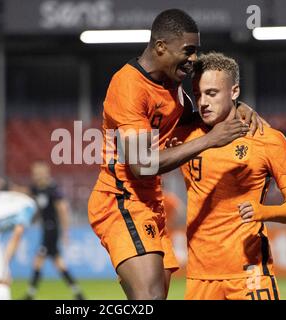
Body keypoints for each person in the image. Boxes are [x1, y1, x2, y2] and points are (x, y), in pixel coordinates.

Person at [88, 8, 267, 300]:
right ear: (161, 47)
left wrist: (236, 108)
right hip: (120, 200)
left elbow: (194, 122)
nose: (193, 59)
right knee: (150, 299)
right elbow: (142, 165)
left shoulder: (172, 89)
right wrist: (212, 140)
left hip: (151, 203)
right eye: (188, 50)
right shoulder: (129, 85)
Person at [171, 52, 286, 300]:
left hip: (250, 274)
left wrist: (262, 211)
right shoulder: (186, 135)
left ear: (234, 92)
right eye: (198, 94)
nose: (203, 102)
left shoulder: (268, 139)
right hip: (199, 277)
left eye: (212, 93)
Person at [23, 160, 85, 300]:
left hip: (52, 229)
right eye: (35, 173)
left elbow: (62, 209)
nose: (37, 175)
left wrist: (65, 232)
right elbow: (27, 194)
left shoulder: (53, 189)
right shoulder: (37, 189)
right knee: (58, 263)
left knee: (38, 260)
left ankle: (30, 294)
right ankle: (77, 292)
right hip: (46, 229)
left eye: (39, 173)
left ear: (46, 173)